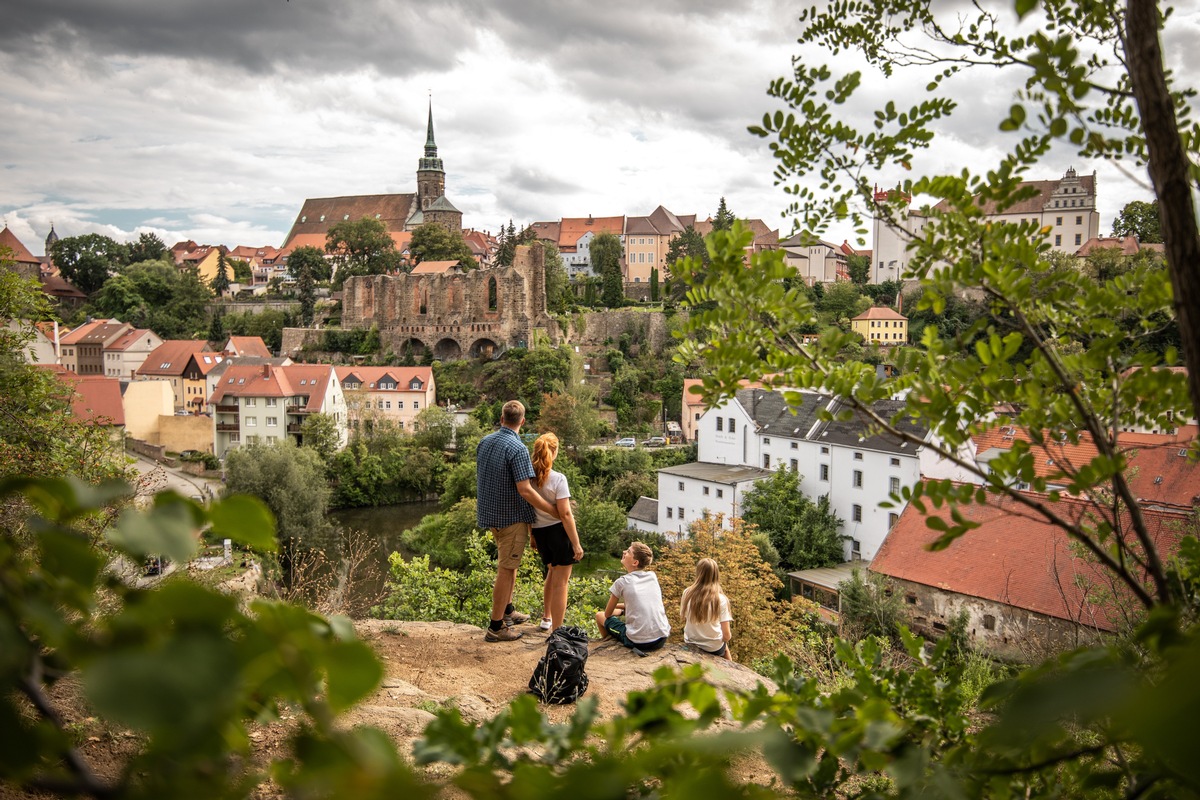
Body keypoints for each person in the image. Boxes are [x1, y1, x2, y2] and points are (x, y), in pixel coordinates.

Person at [476, 400, 559, 642]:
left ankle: (508, 611)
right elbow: (525, 489)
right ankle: (496, 626)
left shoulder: (485, 442)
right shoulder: (517, 448)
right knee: (507, 569)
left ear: (502, 419)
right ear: (522, 422)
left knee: (508, 565)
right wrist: (552, 510)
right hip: (510, 517)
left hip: (491, 515)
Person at [530, 433, 584, 632]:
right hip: (559, 534)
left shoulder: (530, 479)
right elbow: (566, 514)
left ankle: (546, 618)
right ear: (553, 452)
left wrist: (532, 535)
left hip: (541, 533)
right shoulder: (558, 479)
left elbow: (530, 510)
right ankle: (557, 631)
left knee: (551, 573)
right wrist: (576, 543)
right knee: (561, 583)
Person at [594, 542, 670, 653]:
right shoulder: (652, 576)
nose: (624, 552)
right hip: (661, 638)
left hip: (640, 642)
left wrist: (620, 611)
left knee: (599, 615)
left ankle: (607, 643)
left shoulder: (622, 582)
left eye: (628, 551)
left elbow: (607, 614)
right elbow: (638, 604)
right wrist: (622, 609)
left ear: (635, 562)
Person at [680, 558, 734, 660]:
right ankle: (732, 674)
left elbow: (685, 617)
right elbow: (727, 636)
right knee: (725, 649)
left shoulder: (687, 593)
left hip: (690, 642)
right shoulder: (720, 599)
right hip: (713, 648)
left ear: (698, 572)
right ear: (716, 575)